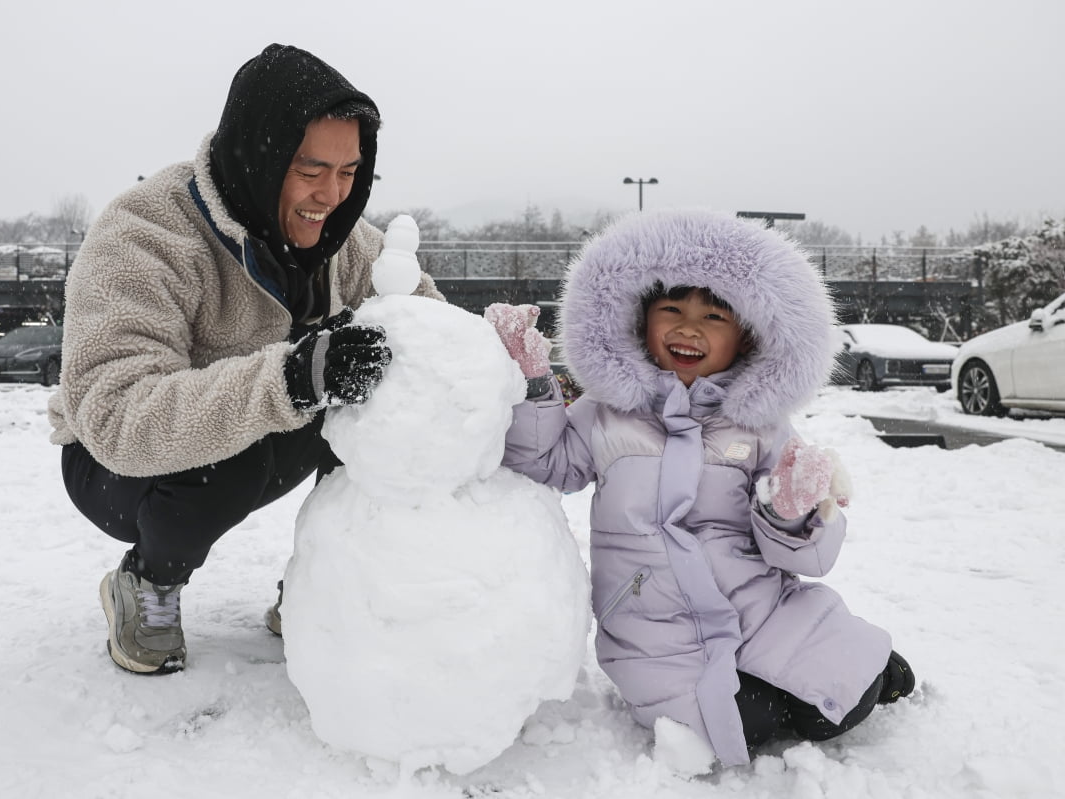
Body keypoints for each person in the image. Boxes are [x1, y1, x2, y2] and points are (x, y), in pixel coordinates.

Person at [48, 44, 443, 675]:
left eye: (349, 172)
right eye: (311, 169)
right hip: (118, 467)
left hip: (260, 434)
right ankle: (147, 582)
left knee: (382, 389)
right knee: (232, 455)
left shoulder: (350, 244)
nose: (333, 195)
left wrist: (513, 365)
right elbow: (117, 418)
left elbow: (428, 327)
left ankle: (326, 581)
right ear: (259, 154)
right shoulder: (145, 233)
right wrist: (295, 376)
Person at [485, 209, 915, 767]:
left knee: (842, 697)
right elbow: (543, 462)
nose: (688, 329)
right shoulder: (606, 413)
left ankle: (872, 668)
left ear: (748, 337)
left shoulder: (760, 425)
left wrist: (790, 511)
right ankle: (832, 676)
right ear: (639, 319)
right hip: (651, 624)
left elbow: (813, 555)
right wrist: (530, 385)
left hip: (759, 607)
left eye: (714, 316)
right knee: (732, 725)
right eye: (671, 310)